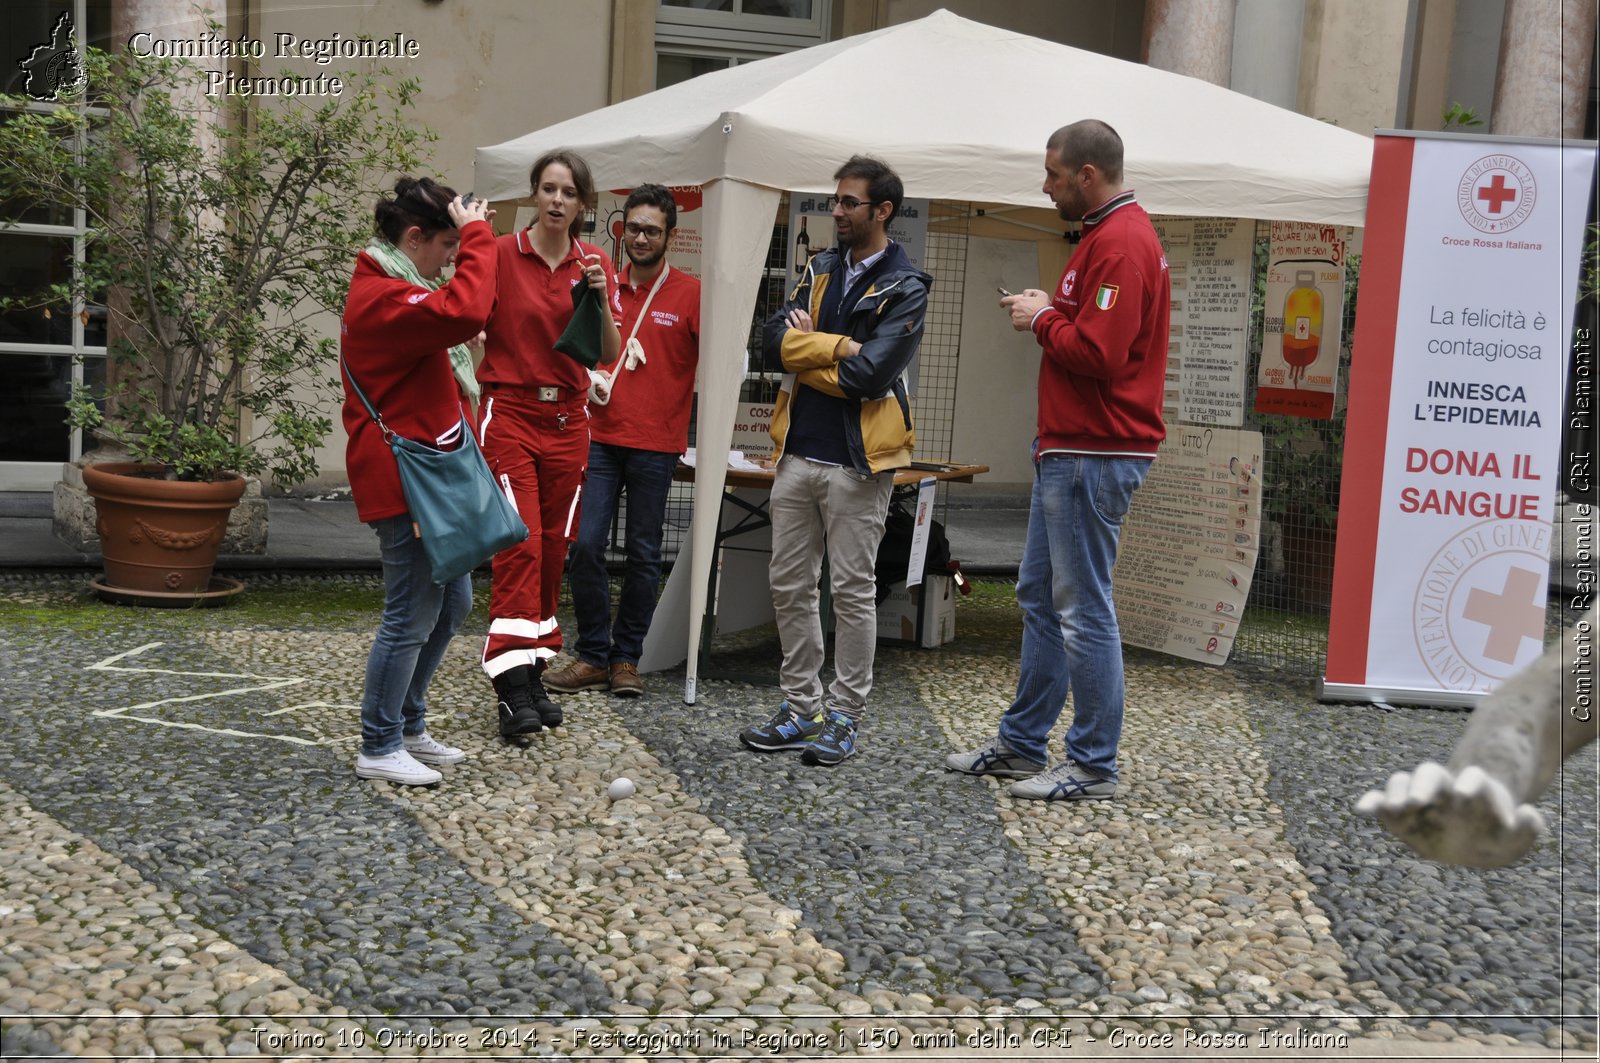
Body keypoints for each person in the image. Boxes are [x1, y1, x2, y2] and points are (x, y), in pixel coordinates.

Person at [946, 119, 1170, 800]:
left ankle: (1094, 763)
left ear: (1088, 176)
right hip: (1073, 448)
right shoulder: (1108, 237)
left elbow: (1101, 356)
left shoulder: (1123, 245)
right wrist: (1048, 311)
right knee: (1043, 597)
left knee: (1082, 607)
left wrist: (1042, 317)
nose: (1046, 188)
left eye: (1053, 175)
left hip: (1094, 450)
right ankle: (1021, 743)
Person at [737, 155, 930, 766]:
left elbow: (871, 375)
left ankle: (845, 715)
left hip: (859, 463)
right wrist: (841, 346)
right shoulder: (820, 268)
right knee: (790, 586)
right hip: (796, 453)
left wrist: (811, 350)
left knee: (850, 590)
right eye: (835, 200)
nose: (836, 211)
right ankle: (801, 708)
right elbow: (771, 340)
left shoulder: (908, 287)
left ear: (883, 211)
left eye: (849, 202)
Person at [341, 177, 496, 785]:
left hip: (428, 473)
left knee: (453, 600)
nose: (455, 256)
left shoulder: (402, 288)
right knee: (409, 611)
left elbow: (452, 328)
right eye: (448, 245)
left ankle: (406, 723)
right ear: (414, 237)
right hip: (407, 479)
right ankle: (378, 744)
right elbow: (466, 307)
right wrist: (482, 234)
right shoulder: (381, 296)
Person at [476, 149, 621, 739]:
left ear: (583, 203)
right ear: (534, 195)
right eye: (548, 189)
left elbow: (607, 353)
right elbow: (467, 316)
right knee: (522, 545)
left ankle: (532, 670)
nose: (557, 200)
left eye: (568, 192)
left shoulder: (595, 262)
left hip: (569, 420)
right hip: (509, 412)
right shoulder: (502, 254)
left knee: (554, 551)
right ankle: (509, 689)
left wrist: (599, 297)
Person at [544, 185, 701, 699]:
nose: (640, 237)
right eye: (632, 228)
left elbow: (725, 363)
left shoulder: (692, 294)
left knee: (643, 552)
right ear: (621, 230)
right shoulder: (600, 283)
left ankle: (626, 657)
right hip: (598, 435)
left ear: (670, 236)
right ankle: (593, 653)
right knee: (586, 544)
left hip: (656, 443)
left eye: (651, 230)